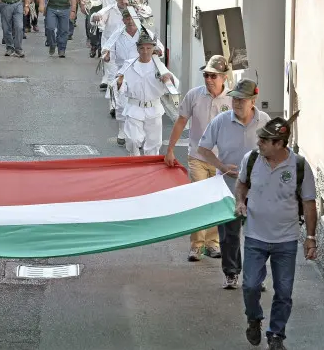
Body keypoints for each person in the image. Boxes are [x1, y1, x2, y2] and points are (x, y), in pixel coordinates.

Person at [237, 113, 317, 350]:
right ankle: (254, 319)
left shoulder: (299, 166)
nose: (259, 143)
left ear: (279, 144)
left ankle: (276, 336)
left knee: (284, 291)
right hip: (254, 236)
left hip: (286, 240)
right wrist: (240, 201)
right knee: (250, 285)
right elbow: (241, 184)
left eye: (264, 140)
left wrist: (310, 238)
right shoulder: (251, 159)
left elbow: (309, 203)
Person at [196, 78, 270, 290]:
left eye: (242, 100)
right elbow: (203, 149)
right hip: (228, 185)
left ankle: (256, 275)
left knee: (259, 234)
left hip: (258, 188)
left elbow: (277, 151)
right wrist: (221, 165)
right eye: (235, 99)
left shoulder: (264, 121)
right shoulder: (221, 121)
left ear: (253, 101)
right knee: (229, 235)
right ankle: (231, 273)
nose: (237, 104)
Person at [164, 55, 232, 261]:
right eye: (206, 75)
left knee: (214, 202)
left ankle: (213, 243)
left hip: (221, 161)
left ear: (223, 77)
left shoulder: (232, 99)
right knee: (199, 200)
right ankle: (196, 246)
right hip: (197, 157)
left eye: (213, 75)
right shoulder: (194, 95)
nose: (208, 79)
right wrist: (170, 149)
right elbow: (181, 121)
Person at [115, 31, 178, 156]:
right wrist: (119, 82)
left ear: (153, 49)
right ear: (137, 49)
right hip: (134, 108)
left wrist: (168, 78)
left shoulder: (159, 66)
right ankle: (135, 162)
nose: (145, 51)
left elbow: (174, 84)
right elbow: (118, 83)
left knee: (154, 145)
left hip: (154, 109)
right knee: (132, 141)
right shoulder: (129, 65)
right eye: (142, 48)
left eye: (149, 48)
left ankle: (150, 170)